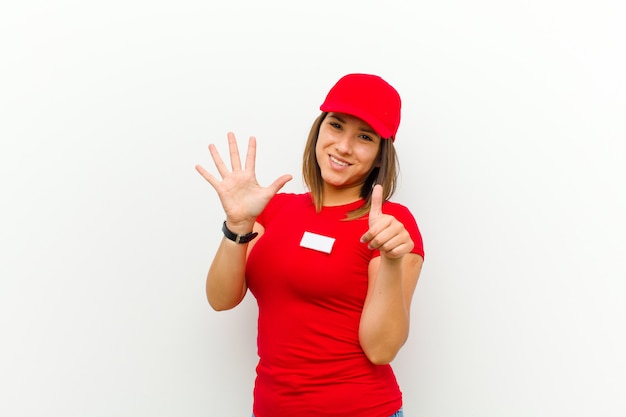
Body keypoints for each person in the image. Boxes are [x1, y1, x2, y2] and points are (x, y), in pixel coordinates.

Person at [195, 73, 424, 417]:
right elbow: (221, 299)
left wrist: (392, 261)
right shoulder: (272, 209)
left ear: (380, 155)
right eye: (336, 126)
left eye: (364, 136)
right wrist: (237, 226)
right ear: (319, 130)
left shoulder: (390, 226)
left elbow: (381, 350)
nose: (344, 146)